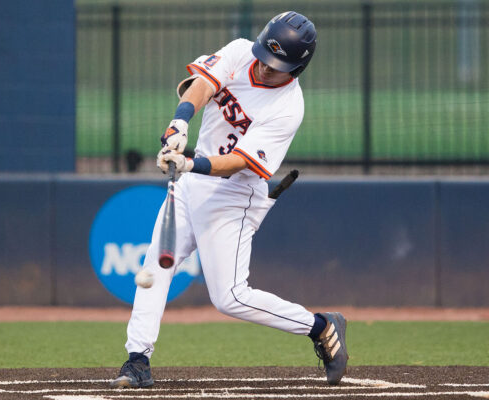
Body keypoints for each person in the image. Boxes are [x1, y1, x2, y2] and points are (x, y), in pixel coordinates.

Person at [110, 11, 348, 389]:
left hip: (233, 197)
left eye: (277, 66)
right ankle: (137, 361)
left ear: (296, 68)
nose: (266, 69)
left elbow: (237, 164)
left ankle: (320, 325)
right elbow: (202, 84)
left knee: (230, 298)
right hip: (191, 185)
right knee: (155, 267)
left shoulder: (288, 108)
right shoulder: (240, 52)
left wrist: (188, 161)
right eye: (265, 59)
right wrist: (180, 124)